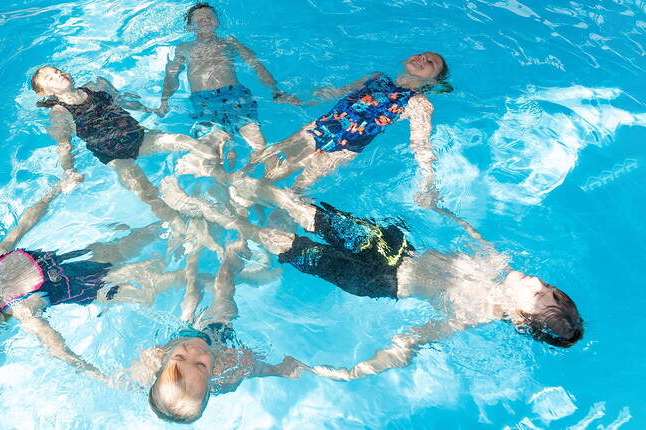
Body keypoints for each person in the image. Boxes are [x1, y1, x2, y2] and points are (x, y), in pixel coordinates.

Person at [158, 176, 584, 382]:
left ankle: (203, 209)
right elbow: (471, 234)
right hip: (393, 247)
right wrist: (437, 207)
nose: (536, 280)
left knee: (284, 243)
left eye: (538, 294)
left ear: (520, 317)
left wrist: (354, 371)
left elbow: (416, 340)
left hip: (376, 280)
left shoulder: (477, 312)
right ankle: (245, 185)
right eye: (546, 287)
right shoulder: (498, 264)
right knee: (310, 213)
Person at [0, 178, 195, 384]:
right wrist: (99, 376)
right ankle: (212, 271)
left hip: (86, 259)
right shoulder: (20, 307)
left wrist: (55, 191)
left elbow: (24, 224)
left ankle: (190, 220)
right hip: (99, 288)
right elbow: (55, 345)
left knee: (148, 234)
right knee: (165, 276)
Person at [31, 65, 223, 239]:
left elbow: (122, 101)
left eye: (57, 71)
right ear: (45, 93)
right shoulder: (59, 113)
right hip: (114, 154)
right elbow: (64, 145)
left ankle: (217, 166)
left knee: (181, 140)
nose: (58, 74)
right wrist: (69, 170)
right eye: (50, 78)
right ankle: (177, 224)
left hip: (137, 137)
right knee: (145, 191)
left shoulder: (96, 86)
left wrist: (150, 109)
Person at [248, 51, 453, 205]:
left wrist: (428, 182)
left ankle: (274, 217)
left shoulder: (418, 103)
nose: (423, 59)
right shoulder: (376, 77)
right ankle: (248, 200)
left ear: (433, 80)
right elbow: (336, 93)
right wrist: (297, 100)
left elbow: (420, 143)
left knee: (296, 190)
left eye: (431, 62)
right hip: (315, 129)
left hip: (342, 149)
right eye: (422, 55)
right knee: (267, 168)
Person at [140, 240, 307, 423]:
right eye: (201, 365)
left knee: (190, 299)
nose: (194, 352)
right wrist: (278, 370)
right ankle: (232, 260)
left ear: (163, 366)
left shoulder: (158, 360)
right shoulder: (224, 372)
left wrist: (114, 377)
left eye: (179, 358)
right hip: (217, 333)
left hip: (183, 334)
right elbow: (253, 370)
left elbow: (135, 377)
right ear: (211, 379)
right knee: (224, 298)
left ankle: (192, 255)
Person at [156, 2, 302, 164]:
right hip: (203, 101)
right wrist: (164, 100)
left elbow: (254, 63)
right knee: (209, 150)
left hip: (234, 94)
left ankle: (268, 174)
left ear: (217, 22)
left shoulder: (229, 42)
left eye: (210, 16)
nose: (205, 18)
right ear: (189, 28)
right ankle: (225, 173)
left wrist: (275, 89)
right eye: (199, 17)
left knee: (258, 143)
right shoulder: (183, 47)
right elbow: (171, 76)